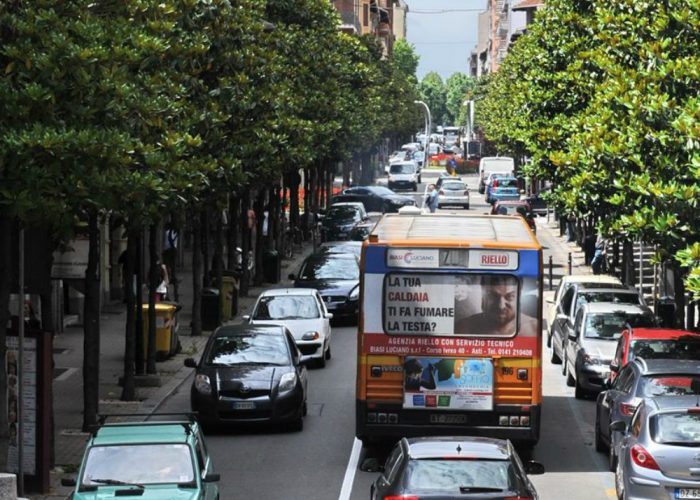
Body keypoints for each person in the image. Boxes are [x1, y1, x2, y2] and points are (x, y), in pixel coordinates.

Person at [455, 275, 538, 336]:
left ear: (519, 296)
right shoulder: (464, 327)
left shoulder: (534, 328)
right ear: (482, 294)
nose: (500, 306)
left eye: (510, 297)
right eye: (493, 296)